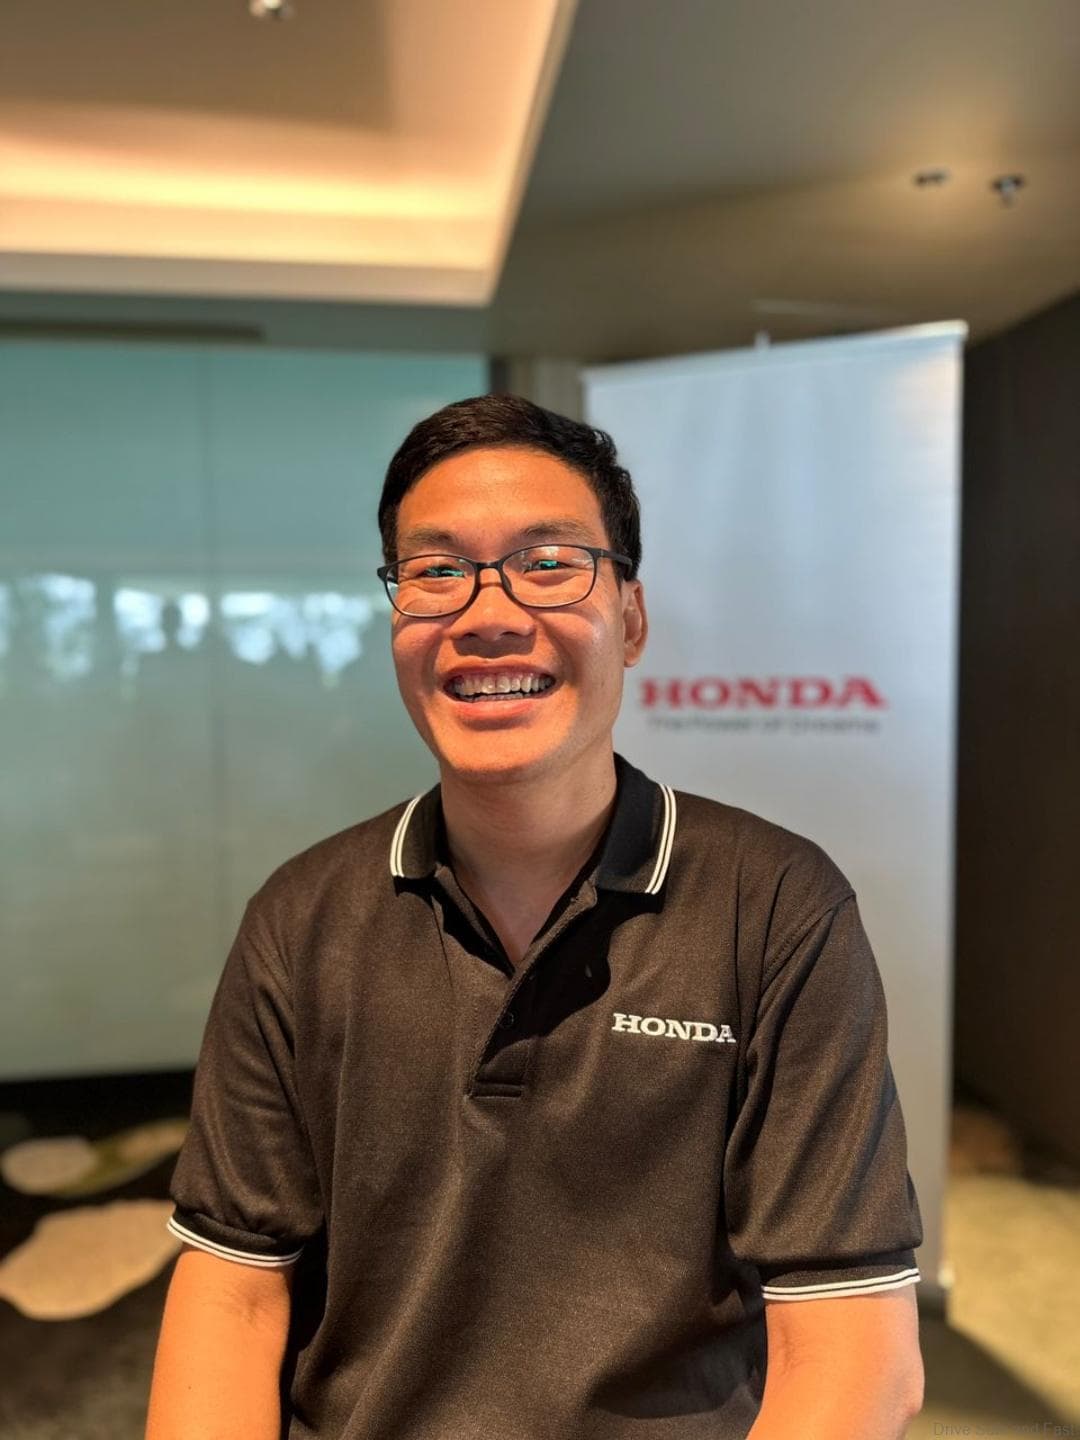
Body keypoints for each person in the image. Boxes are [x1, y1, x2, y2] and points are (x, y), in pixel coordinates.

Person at [146, 394, 925, 1439]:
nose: (488, 614)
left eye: (549, 562)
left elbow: (853, 1345)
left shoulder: (776, 906)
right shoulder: (302, 917)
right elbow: (234, 1286)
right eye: (436, 571)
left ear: (631, 618)